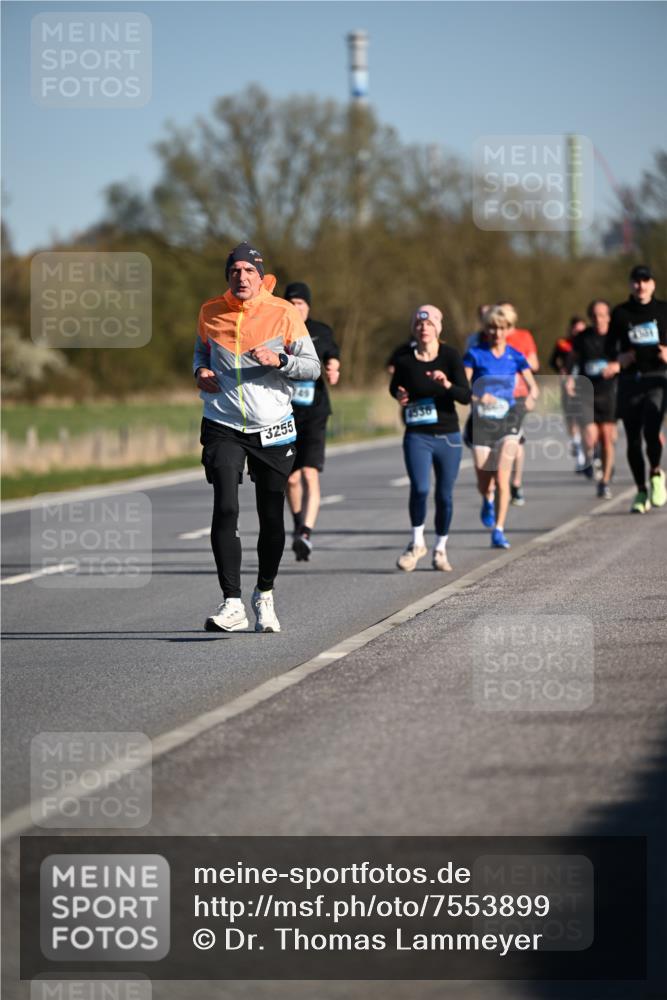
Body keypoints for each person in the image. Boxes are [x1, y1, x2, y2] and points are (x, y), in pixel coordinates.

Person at [193, 242, 320, 632]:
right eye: (235, 270)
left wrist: (280, 360)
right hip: (223, 422)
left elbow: (312, 367)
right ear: (227, 275)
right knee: (225, 506)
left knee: (271, 516)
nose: (242, 276)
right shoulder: (210, 311)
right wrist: (200, 371)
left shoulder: (283, 312)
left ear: (260, 276)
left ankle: (264, 593)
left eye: (249, 270)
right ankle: (232, 602)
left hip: (273, 425)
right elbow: (201, 352)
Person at [390, 305, 471, 571]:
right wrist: (400, 395)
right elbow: (394, 387)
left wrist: (446, 384)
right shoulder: (404, 359)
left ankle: (440, 549)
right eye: (419, 324)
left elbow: (465, 396)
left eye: (429, 324)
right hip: (417, 435)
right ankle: (417, 543)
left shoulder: (450, 356)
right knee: (421, 488)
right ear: (414, 328)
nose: (424, 328)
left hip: (448, 436)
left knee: (444, 495)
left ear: (438, 328)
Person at [463, 304, 539, 549]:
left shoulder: (515, 355)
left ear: (508, 329)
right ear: (486, 329)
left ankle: (499, 529)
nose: (497, 333)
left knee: (502, 477)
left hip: (507, 421)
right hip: (482, 423)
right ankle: (487, 499)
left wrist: (531, 398)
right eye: (492, 328)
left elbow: (533, 386)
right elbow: (462, 389)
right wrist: (478, 397)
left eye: (502, 328)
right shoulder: (475, 354)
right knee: (485, 482)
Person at [282, 281, 341, 561]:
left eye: (300, 304)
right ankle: (298, 526)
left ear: (308, 306)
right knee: (291, 479)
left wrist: (333, 368)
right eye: (291, 303)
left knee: (308, 473)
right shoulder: (277, 330)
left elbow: (333, 356)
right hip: (285, 413)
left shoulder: (321, 331)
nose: (296, 308)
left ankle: (306, 533)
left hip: (315, 412)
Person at [605, 265, 667, 513]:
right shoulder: (621, 313)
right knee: (632, 440)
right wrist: (618, 358)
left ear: (653, 284)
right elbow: (609, 346)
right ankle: (641, 491)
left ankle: (656, 472)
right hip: (630, 380)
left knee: (652, 429)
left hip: (657, 377)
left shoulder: (663, 310)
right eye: (636, 281)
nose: (640, 286)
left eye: (645, 280)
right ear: (630, 284)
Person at [565, 299, 617, 498]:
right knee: (590, 435)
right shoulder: (582, 337)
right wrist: (569, 378)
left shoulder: (616, 337)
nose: (598, 319)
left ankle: (604, 481)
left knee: (607, 439)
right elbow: (572, 359)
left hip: (609, 391)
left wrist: (616, 366)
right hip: (586, 391)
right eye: (594, 315)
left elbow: (628, 358)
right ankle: (593, 456)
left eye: (602, 315)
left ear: (609, 317)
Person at [499, 301, 540, 506]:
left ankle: (514, 482)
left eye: (508, 312)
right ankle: (502, 483)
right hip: (495, 398)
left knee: (513, 438)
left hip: (519, 395)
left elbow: (534, 364)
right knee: (502, 440)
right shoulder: (490, 337)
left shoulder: (523, 336)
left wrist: (514, 360)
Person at [550, 316, 588, 471]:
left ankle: (590, 452)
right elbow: (552, 361)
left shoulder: (588, 343)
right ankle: (579, 451)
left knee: (586, 420)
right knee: (571, 418)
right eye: (576, 330)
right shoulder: (563, 344)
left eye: (581, 330)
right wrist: (561, 370)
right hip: (567, 386)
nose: (578, 333)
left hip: (586, 386)